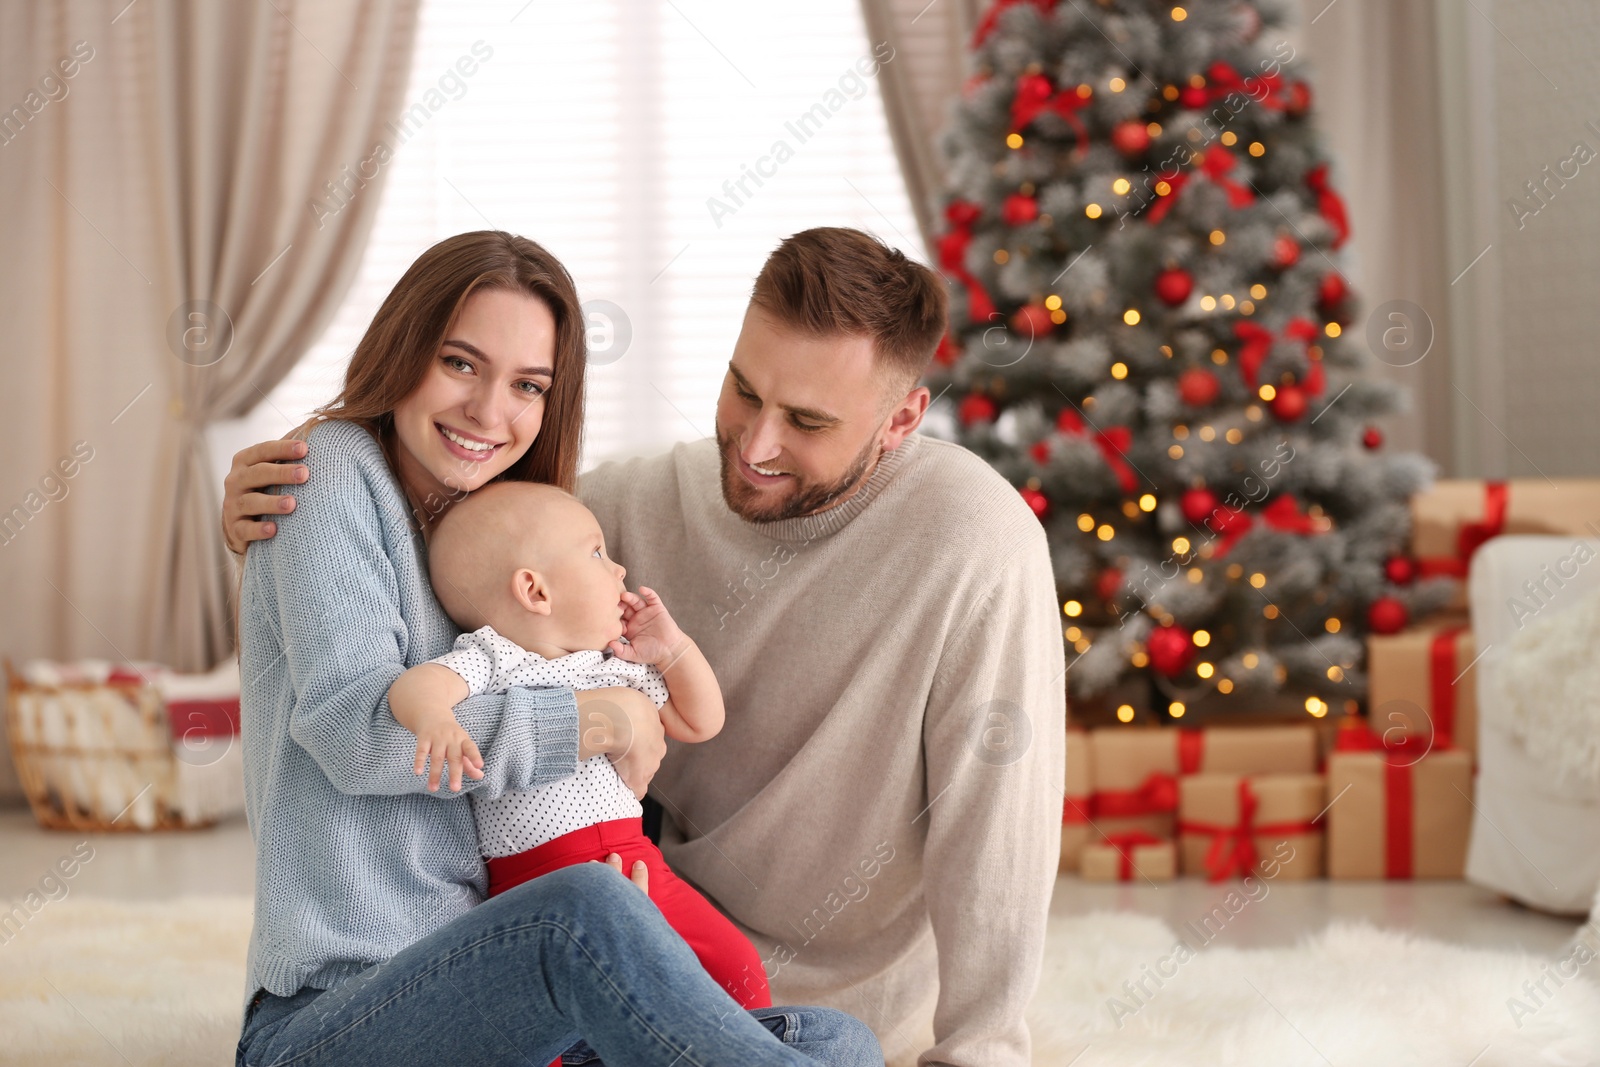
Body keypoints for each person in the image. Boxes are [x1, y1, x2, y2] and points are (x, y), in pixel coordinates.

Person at [226, 227, 1064, 1067]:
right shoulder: (332, 473)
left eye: (527, 384)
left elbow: (1002, 806)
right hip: (338, 1017)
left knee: (837, 1040)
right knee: (580, 911)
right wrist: (604, 718)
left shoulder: (485, 507)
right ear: (405, 347)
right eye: (458, 362)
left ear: (901, 419)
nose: (488, 412)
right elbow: (363, 733)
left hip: (503, 1008)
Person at [387, 480, 771, 1019]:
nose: (618, 570)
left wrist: (672, 648)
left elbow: (701, 720)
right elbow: (418, 686)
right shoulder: (495, 658)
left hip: (637, 862)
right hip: (535, 883)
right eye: (596, 552)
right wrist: (435, 720)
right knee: (541, 1015)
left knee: (739, 967)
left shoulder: (615, 665)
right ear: (535, 591)